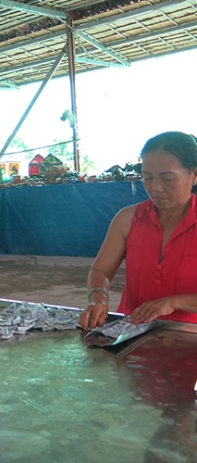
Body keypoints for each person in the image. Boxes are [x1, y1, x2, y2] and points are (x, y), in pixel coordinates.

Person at [80, 132, 197, 329]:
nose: (155, 188)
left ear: (194, 175)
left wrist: (174, 302)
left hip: (189, 335)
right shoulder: (128, 219)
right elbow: (101, 270)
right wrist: (98, 298)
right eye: (147, 177)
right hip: (132, 331)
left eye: (167, 178)